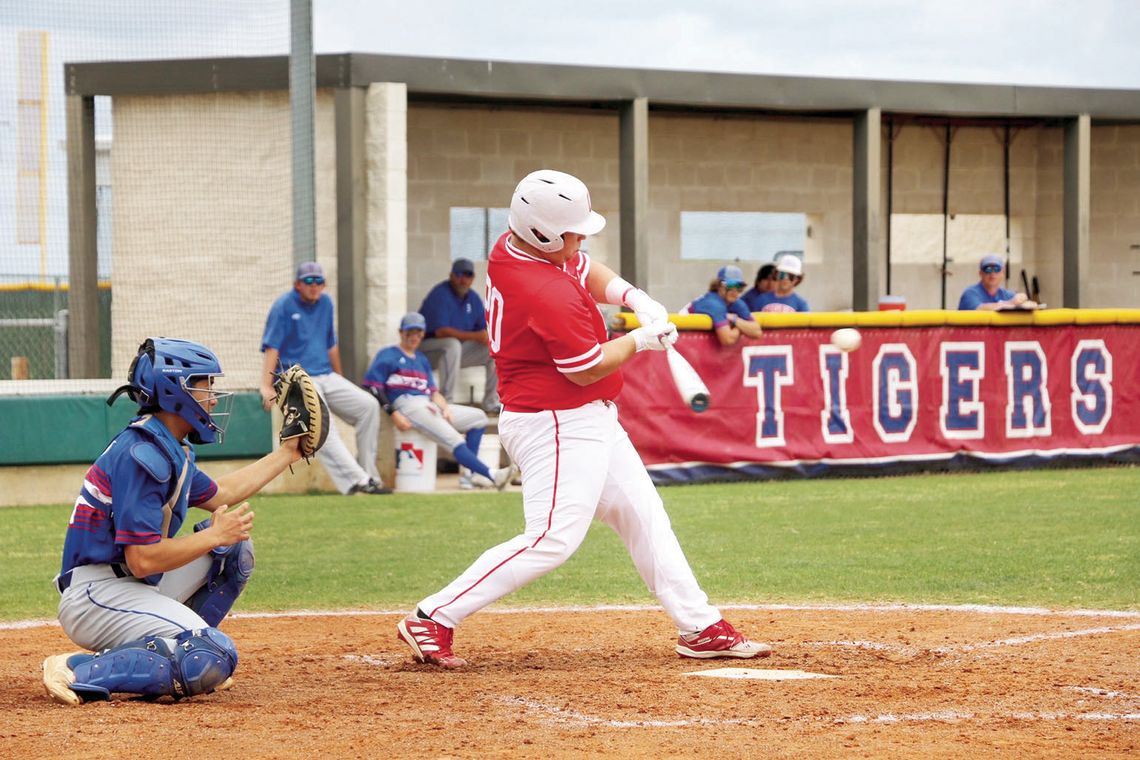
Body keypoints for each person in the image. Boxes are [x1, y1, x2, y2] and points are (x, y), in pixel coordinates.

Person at [395, 169, 771, 668]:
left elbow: (584, 267)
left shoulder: (517, 245)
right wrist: (640, 340)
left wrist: (634, 298)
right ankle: (433, 615)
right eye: (572, 232)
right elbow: (584, 367)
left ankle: (698, 626)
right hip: (554, 419)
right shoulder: (540, 289)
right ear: (543, 234)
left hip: (585, 417)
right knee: (552, 538)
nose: (580, 240)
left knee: (644, 515)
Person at [42, 337, 305, 705]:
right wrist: (212, 536)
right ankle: (76, 668)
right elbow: (142, 559)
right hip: (98, 595)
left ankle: (174, 657)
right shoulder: (142, 454)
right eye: (204, 385)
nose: (212, 398)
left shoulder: (168, 446)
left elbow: (222, 493)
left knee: (234, 550)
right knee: (213, 655)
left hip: (127, 585)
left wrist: (288, 452)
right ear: (174, 391)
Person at [259, 261, 389, 495]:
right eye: (308, 281)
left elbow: (331, 345)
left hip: (326, 374)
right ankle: (359, 481)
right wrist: (265, 387)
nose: (314, 286)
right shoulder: (283, 306)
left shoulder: (326, 303)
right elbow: (272, 347)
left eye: (319, 281)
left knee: (368, 405)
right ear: (297, 284)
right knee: (322, 422)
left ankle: (370, 475)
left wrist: (339, 378)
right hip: (296, 377)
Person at [363, 312, 518, 491]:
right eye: (410, 332)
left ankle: (469, 476)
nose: (414, 336)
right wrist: (393, 413)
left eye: (418, 332)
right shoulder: (388, 354)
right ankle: (492, 475)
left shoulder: (421, 359)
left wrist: (444, 407)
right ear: (401, 333)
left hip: (428, 404)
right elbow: (372, 386)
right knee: (452, 439)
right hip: (408, 404)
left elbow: (433, 392)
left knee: (479, 417)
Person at [418, 258, 500, 414]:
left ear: (472, 278)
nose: (463, 279)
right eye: (459, 275)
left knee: (493, 348)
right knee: (452, 344)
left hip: (455, 354)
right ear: (451, 276)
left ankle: (490, 402)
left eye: (467, 275)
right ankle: (445, 402)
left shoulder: (473, 298)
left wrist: (485, 337)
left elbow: (483, 329)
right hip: (427, 353)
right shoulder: (440, 294)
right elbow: (441, 332)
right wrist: (476, 336)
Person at [682, 264, 764, 346]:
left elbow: (757, 332)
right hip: (680, 338)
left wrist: (735, 320)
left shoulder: (736, 303)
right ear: (719, 286)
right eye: (730, 285)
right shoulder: (713, 304)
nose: (735, 291)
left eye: (739, 286)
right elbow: (728, 340)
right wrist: (742, 327)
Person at [957, 254, 1038, 311]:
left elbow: (1022, 304)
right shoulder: (970, 293)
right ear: (980, 274)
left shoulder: (1007, 294)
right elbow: (980, 309)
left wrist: (1025, 302)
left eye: (997, 269)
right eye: (987, 269)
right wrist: (1012, 303)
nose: (992, 273)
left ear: (1003, 273)